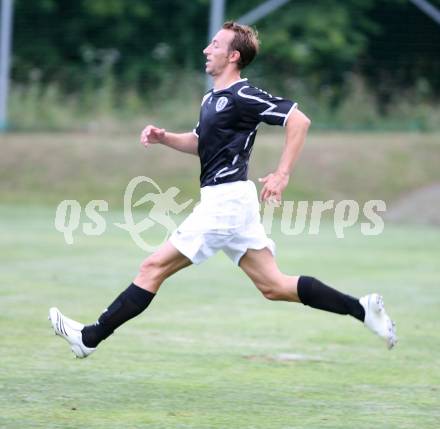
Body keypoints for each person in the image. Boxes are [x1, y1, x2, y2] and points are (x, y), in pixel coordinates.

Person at [49, 21, 396, 358]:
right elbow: (201, 142)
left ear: (233, 56)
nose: (206, 49)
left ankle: (90, 337)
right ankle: (362, 309)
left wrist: (282, 173)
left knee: (152, 267)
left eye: (215, 44)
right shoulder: (211, 98)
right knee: (274, 286)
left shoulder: (244, 93)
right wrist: (164, 137)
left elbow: (298, 120)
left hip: (225, 203)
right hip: (231, 202)